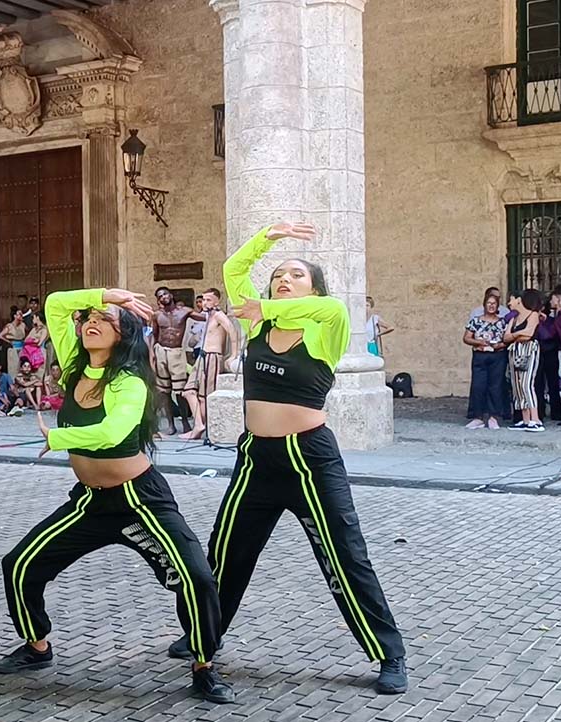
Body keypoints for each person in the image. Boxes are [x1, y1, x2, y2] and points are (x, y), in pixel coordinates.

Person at [166, 222, 407, 695]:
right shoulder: (259, 323)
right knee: (226, 554)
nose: (283, 279)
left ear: (312, 288)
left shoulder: (327, 327)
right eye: (278, 275)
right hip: (257, 457)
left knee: (344, 556)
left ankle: (389, 652)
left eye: (295, 274)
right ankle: (202, 635)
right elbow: (233, 269)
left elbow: (332, 306)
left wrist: (270, 302)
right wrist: (268, 238)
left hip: (309, 459)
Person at [0, 287, 233, 703]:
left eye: (105, 320)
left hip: (139, 500)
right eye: (89, 317)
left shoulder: (129, 381)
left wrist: (60, 436)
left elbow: (115, 432)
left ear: (123, 336)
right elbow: (55, 305)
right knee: (19, 565)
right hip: (89, 501)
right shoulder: (73, 367)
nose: (92, 323)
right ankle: (36, 646)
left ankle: (204, 665)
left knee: (195, 577)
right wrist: (109, 295)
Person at [181, 289, 240, 441]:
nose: (204, 303)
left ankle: (202, 427)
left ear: (216, 301)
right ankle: (199, 425)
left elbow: (233, 332)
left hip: (212, 357)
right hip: (203, 356)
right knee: (189, 391)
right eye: (203, 300)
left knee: (204, 396)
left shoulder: (219, 315)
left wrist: (234, 355)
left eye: (208, 300)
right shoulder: (208, 316)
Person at [152, 287, 207, 435]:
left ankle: (185, 423)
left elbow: (204, 317)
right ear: (158, 300)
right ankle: (170, 424)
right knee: (163, 390)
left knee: (180, 390)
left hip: (176, 353)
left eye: (165, 294)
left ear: (171, 295)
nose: (163, 297)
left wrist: (215, 310)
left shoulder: (184, 312)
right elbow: (155, 335)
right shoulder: (157, 315)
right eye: (160, 296)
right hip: (161, 351)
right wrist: (153, 354)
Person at [463, 292, 510, 430]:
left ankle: (493, 416)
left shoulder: (503, 322)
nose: (491, 306)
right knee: (478, 386)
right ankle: (478, 417)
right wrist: (479, 342)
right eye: (488, 303)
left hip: (497, 356)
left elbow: (507, 339)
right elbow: (466, 338)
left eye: (494, 304)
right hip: (480, 355)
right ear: (484, 305)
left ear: (497, 307)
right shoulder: (476, 321)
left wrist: (500, 345)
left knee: (495, 386)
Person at [504, 290, 544, 432]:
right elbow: (506, 337)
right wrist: (518, 335)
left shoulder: (532, 315)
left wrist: (515, 336)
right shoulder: (514, 318)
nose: (509, 303)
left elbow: (529, 333)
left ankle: (536, 418)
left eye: (511, 299)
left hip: (529, 350)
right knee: (517, 386)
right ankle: (525, 418)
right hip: (515, 351)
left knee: (527, 384)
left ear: (519, 300)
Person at [535, 291, 561, 421]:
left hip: (550, 353)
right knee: (538, 384)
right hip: (539, 353)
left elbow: (548, 335)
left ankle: (556, 412)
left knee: (553, 384)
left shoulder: (552, 321)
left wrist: (541, 322)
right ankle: (539, 412)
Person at [0, 308, 27, 376]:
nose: (21, 315)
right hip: (13, 347)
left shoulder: (23, 325)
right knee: (14, 366)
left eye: (21, 314)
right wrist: (9, 342)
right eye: (19, 314)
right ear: (15, 316)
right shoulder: (9, 326)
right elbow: (0, 336)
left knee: (21, 365)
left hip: (22, 347)